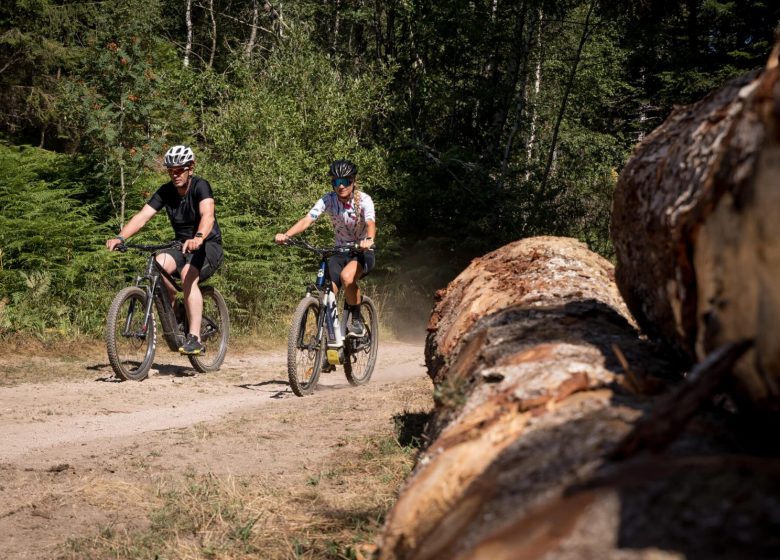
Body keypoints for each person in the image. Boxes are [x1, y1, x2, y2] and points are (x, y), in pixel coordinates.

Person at [105, 145, 224, 355]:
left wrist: (198, 237)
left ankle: (194, 337)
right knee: (157, 263)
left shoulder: (200, 186)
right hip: (180, 245)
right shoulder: (166, 191)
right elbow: (143, 217)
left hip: (207, 245)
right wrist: (120, 237)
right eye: (171, 171)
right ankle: (177, 312)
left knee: (188, 274)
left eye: (179, 170)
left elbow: (208, 216)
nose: (175, 175)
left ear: (190, 168)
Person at [275, 159, 376, 336]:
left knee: (347, 277)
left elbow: (370, 222)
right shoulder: (328, 200)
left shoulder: (365, 199)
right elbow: (308, 219)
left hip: (361, 252)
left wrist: (368, 239)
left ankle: (357, 319)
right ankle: (329, 341)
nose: (341, 186)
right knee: (326, 294)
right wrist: (287, 235)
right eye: (337, 182)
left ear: (353, 182)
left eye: (345, 181)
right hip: (339, 252)